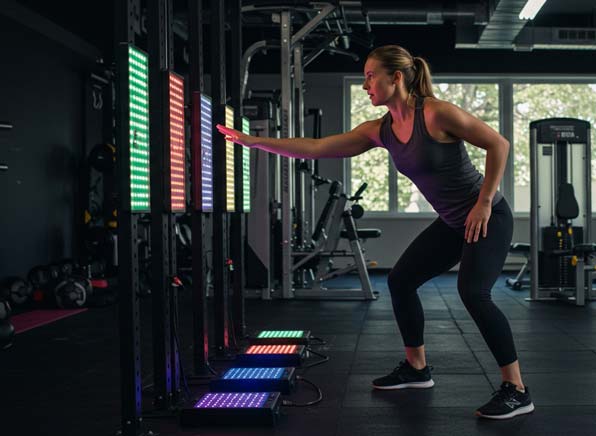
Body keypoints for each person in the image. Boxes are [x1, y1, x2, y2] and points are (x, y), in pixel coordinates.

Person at [217, 45, 532, 420]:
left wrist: (482, 203)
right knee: (400, 281)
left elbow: (498, 144)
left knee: (473, 293)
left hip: (488, 216)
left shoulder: (434, 113)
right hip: (452, 223)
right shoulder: (381, 130)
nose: (366, 85)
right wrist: (255, 142)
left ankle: (517, 389)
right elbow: (317, 148)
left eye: (370, 76)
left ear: (396, 77)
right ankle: (417, 369)